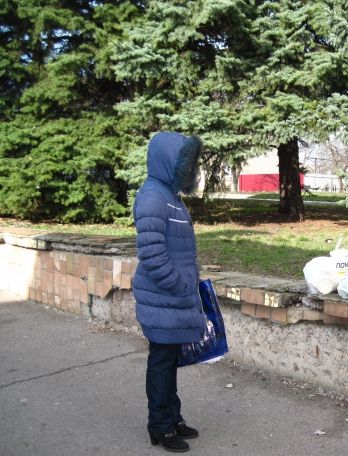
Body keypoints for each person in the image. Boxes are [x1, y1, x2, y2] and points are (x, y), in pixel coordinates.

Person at [132, 131, 204, 453]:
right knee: (161, 363)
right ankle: (160, 426)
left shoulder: (169, 196)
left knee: (169, 361)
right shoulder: (152, 198)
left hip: (172, 299)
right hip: (163, 297)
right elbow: (152, 255)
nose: (188, 170)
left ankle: (172, 418)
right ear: (167, 161)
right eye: (183, 163)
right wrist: (179, 284)